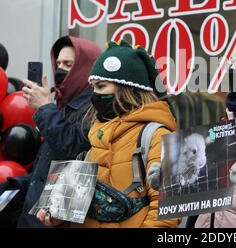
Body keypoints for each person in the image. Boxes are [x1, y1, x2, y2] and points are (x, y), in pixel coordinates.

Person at [148, 32, 236, 228]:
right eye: (231, 62)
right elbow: (202, 191)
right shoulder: (226, 125)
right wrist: (170, 181)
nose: (233, 68)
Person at [36, 40, 180, 228]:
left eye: (101, 87)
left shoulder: (156, 135)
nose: (95, 95)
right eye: (93, 87)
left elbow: (166, 213)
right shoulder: (94, 137)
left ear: (127, 89)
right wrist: (59, 220)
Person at [0, 36, 102, 228]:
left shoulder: (95, 108)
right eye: (58, 63)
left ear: (85, 68)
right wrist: (10, 187)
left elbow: (75, 152)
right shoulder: (62, 106)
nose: (60, 69)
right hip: (35, 217)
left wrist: (44, 108)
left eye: (68, 64)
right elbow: (44, 171)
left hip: (56, 220)